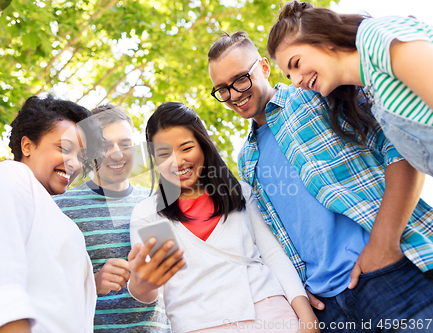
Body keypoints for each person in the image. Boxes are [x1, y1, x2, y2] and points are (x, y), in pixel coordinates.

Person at [208, 31, 433, 332]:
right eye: (222, 89)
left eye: (240, 79)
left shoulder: (316, 92)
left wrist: (384, 242)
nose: (234, 94)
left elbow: (398, 145)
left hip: (389, 275)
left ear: (263, 67)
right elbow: (275, 235)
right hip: (330, 309)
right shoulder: (246, 159)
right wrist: (300, 292)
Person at [127, 102, 319, 333]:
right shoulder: (150, 213)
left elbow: (272, 255)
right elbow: (151, 288)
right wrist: (140, 284)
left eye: (186, 148)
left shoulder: (239, 193)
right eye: (164, 154)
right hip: (200, 324)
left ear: (203, 145)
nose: (177, 161)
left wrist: (307, 317)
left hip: (272, 314)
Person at [0, 94, 103, 332]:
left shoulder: (57, 217)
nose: (75, 163)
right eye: (64, 148)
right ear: (27, 145)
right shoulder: (8, 176)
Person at [267, 0, 433, 176]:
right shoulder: (374, 96)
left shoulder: (373, 38)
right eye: (289, 75)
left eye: (296, 63)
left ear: (322, 37)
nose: (296, 82)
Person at [53, 104, 171, 332]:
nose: (117, 153)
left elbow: (175, 282)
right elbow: (44, 286)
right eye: (105, 145)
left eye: (125, 144)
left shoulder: (157, 202)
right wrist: (92, 284)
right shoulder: (60, 207)